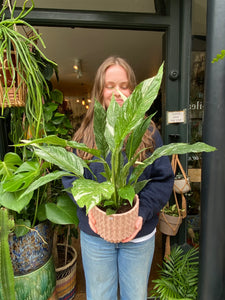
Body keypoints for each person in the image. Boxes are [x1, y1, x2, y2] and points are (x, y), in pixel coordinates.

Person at [62, 56, 174, 300]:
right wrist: (90, 206)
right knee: (100, 295)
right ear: (99, 90)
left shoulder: (149, 133)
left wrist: (141, 213)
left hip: (138, 234)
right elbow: (71, 177)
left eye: (124, 86)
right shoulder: (84, 135)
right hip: (96, 236)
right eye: (110, 85)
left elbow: (162, 180)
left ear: (134, 91)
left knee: (135, 295)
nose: (117, 92)